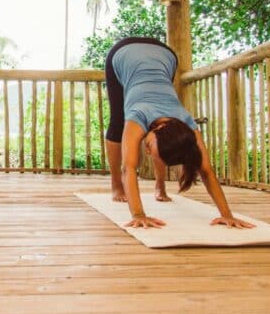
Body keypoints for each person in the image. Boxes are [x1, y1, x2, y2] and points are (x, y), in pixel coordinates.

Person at [105, 37, 255, 230]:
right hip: (122, 52)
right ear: (158, 129)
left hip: (167, 56)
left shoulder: (186, 124)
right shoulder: (138, 115)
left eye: (148, 148)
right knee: (117, 122)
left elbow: (207, 171)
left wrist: (227, 215)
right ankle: (116, 184)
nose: (147, 152)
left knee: (169, 147)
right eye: (149, 146)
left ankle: (160, 185)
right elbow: (129, 168)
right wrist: (139, 215)